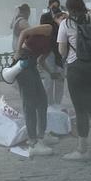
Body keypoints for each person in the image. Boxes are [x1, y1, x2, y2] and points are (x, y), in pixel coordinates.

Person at [57, 0, 91, 160]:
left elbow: (62, 51)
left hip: (78, 69)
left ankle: (82, 150)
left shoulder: (65, 24)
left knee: (80, 109)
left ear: (69, 8)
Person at [14, 17, 63, 156]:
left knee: (42, 100)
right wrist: (17, 53)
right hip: (23, 62)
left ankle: (41, 135)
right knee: (29, 103)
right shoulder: (48, 28)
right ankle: (33, 142)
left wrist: (51, 73)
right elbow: (24, 33)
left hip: (32, 65)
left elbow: (41, 60)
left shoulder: (55, 42)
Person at [38, 11, 65, 105]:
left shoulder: (62, 25)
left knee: (59, 81)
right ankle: (49, 103)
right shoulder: (48, 26)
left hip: (58, 53)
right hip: (52, 52)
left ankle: (57, 103)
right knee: (49, 81)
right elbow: (40, 60)